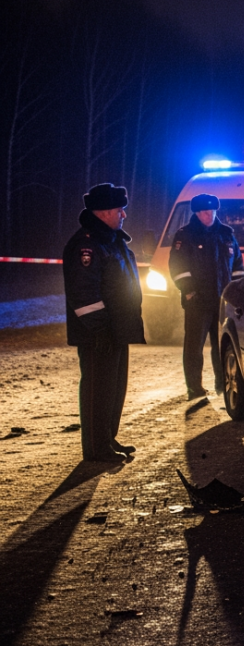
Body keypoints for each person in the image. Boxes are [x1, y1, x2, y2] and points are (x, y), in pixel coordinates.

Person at [62, 183, 145, 463]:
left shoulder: (112, 240)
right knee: (98, 390)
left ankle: (107, 439)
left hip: (115, 330)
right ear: (105, 212)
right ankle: (97, 449)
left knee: (114, 388)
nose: (124, 215)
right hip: (98, 334)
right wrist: (100, 329)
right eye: (120, 210)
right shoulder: (87, 244)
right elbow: (83, 294)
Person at [170, 194, 244, 400]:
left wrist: (236, 293)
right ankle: (194, 388)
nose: (209, 215)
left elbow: (238, 267)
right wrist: (189, 292)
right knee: (194, 347)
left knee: (222, 345)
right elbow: (178, 268)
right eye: (204, 212)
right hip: (198, 302)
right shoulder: (185, 235)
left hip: (222, 302)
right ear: (196, 213)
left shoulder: (226, 235)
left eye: (212, 211)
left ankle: (223, 384)